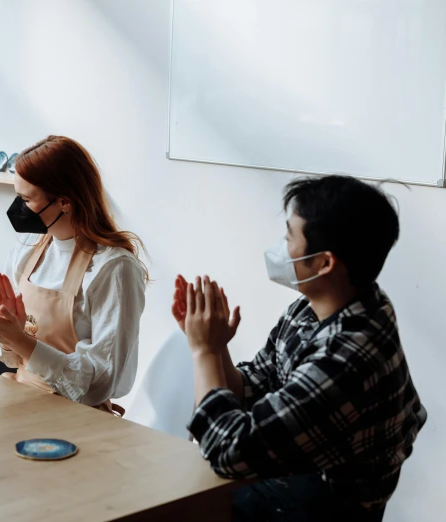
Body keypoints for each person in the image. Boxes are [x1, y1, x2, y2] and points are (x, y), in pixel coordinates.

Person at [173, 175, 426, 521]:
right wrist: (216, 347)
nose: (281, 247)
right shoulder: (320, 306)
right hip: (287, 482)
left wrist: (202, 351)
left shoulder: (350, 353)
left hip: (321, 508)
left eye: (289, 236)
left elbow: (227, 451)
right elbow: (257, 388)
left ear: (325, 263)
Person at [0, 136, 147, 414]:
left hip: (76, 417)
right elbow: (12, 361)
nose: (17, 208)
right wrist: (9, 332)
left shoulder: (114, 269)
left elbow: (102, 381)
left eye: (25, 199)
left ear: (65, 202)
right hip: (20, 397)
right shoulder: (29, 248)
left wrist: (22, 340)